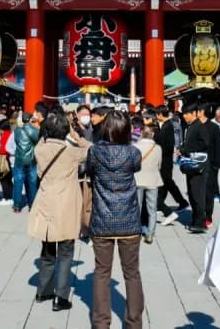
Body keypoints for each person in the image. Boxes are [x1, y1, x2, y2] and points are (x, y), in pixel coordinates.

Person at [28, 110, 91, 312]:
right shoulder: (71, 152)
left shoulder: (40, 149)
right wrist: (75, 136)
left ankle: (43, 291)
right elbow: (93, 149)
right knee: (66, 252)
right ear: (64, 130)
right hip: (66, 203)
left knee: (47, 251)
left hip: (46, 201)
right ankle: (61, 297)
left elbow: (40, 139)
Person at [87, 110, 144, 329]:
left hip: (102, 220)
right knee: (132, 273)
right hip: (129, 219)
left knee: (102, 273)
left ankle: (101, 323)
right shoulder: (133, 153)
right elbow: (136, 168)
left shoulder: (95, 152)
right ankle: (134, 323)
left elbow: (90, 172)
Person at [178, 103, 213, 233]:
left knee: (198, 194)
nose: (185, 116)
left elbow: (205, 143)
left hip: (199, 166)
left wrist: (186, 149)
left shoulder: (200, 126)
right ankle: (195, 219)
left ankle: (200, 222)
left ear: (194, 113)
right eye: (184, 114)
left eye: (187, 113)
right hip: (191, 165)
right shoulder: (191, 126)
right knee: (192, 193)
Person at [154, 106, 187, 225]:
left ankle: (181, 202)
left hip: (165, 159)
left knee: (167, 181)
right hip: (162, 159)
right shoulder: (162, 125)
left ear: (159, 114)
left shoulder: (168, 126)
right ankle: (161, 204)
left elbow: (168, 145)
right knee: (165, 182)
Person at [134, 124, 162, 244]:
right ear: (152, 135)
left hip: (138, 179)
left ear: (141, 134)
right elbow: (159, 165)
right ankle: (150, 233)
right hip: (152, 179)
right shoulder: (157, 148)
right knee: (152, 208)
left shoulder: (135, 147)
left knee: (137, 208)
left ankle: (136, 232)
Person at [199, 104, 220, 228]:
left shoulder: (214, 127)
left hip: (210, 164)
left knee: (209, 191)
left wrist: (217, 164)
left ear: (201, 112)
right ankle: (198, 215)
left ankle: (208, 215)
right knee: (197, 191)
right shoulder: (195, 126)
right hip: (197, 162)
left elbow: (218, 146)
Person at [12, 111, 40, 214]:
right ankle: (32, 205)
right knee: (32, 183)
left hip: (19, 159)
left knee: (18, 183)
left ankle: (17, 206)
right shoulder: (34, 130)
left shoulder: (16, 131)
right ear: (30, 119)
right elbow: (38, 141)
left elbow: (16, 142)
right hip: (31, 160)